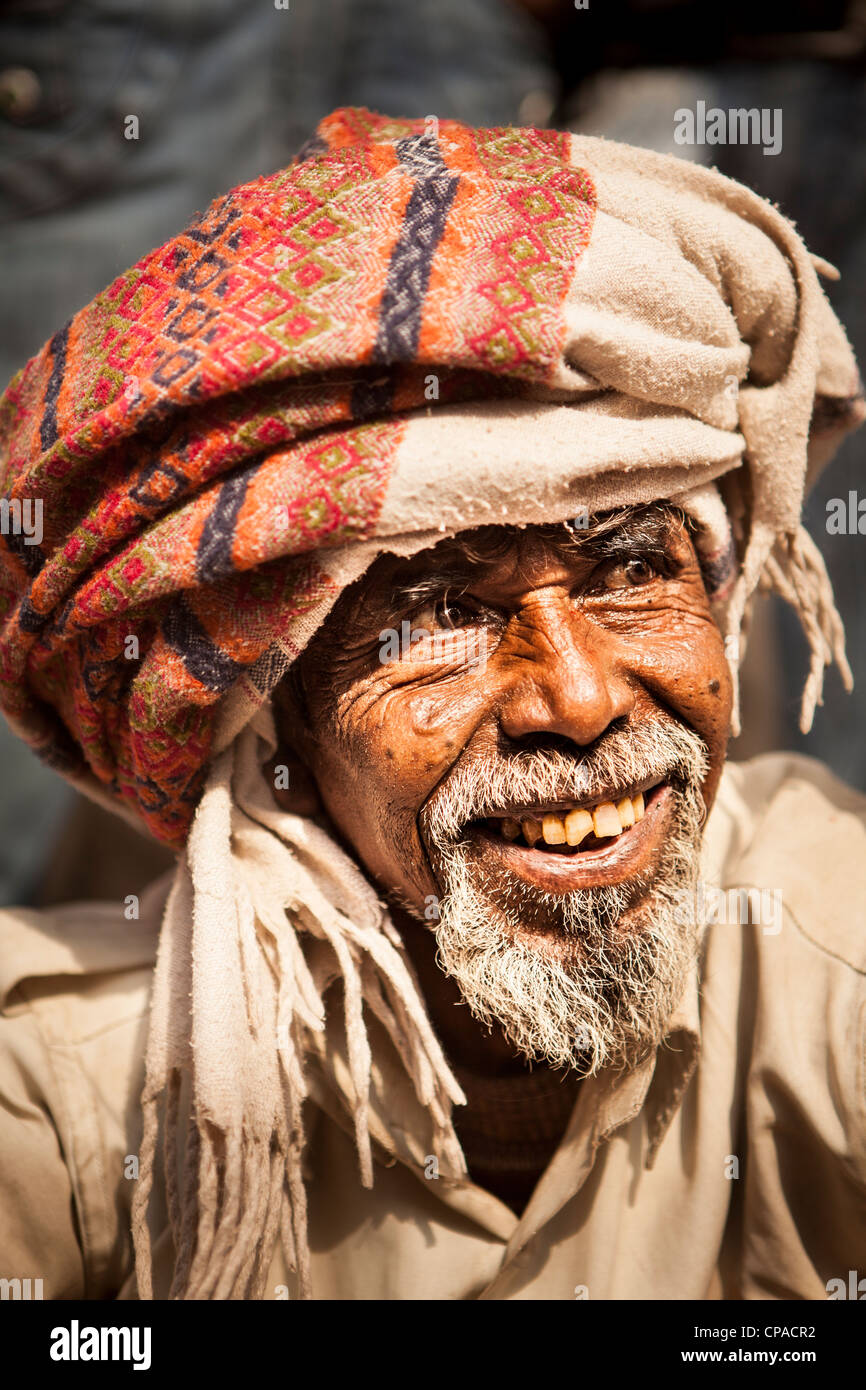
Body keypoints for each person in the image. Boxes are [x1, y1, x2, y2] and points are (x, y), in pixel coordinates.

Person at [0, 107, 863, 1301]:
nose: (575, 697)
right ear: (270, 717)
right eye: (443, 614)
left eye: (628, 571)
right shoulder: (66, 1090)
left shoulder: (834, 967)